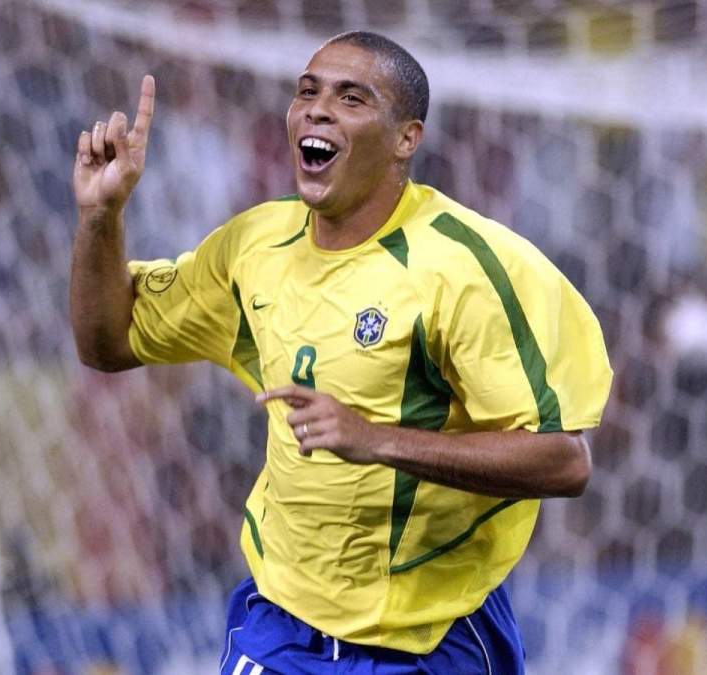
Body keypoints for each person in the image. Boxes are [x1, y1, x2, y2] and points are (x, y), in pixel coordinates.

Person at [70, 31, 613, 675]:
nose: (317, 110)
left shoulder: (466, 269)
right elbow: (108, 341)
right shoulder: (255, 246)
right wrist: (101, 217)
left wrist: (376, 439)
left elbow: (564, 461)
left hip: (430, 638)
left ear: (406, 138)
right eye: (307, 92)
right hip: (282, 627)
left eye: (350, 97)